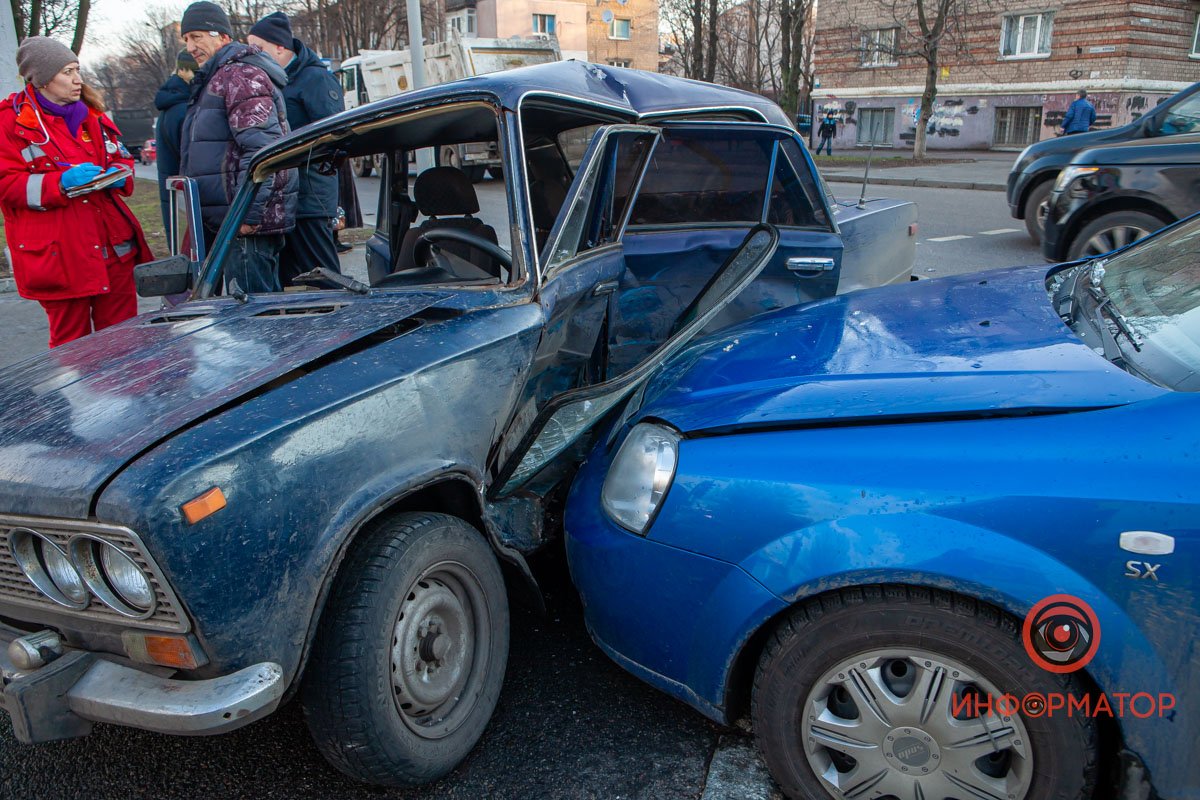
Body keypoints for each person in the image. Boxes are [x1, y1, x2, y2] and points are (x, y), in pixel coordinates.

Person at [0, 36, 152, 348]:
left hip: (113, 249)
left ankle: (129, 396)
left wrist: (119, 173)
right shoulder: (10, 123)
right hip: (60, 255)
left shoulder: (93, 115)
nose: (78, 79)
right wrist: (58, 183)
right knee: (73, 348)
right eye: (67, 72)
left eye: (77, 70)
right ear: (42, 78)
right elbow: (6, 185)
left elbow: (120, 155)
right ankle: (82, 399)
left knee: (125, 341)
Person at [178, 0, 296, 294]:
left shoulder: (241, 76)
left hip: (246, 226)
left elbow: (264, 153)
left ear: (223, 37)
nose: (191, 47)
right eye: (186, 39)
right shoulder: (219, 77)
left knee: (255, 326)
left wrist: (246, 216)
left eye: (197, 36)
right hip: (234, 223)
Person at [248, 11, 344, 283]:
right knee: (291, 279)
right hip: (286, 198)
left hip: (311, 198)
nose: (252, 52)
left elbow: (334, 135)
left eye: (259, 47)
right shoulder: (274, 79)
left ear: (280, 47)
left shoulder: (315, 79)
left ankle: (339, 324)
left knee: (324, 277)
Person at [153, 49, 198, 233]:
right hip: (187, 202)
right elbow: (193, 159)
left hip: (177, 200)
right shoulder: (181, 109)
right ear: (186, 71)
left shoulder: (172, 104)